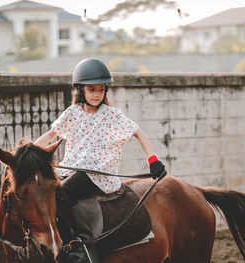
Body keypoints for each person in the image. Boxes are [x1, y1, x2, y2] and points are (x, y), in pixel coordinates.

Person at [35, 57, 166, 262]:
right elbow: (51, 135)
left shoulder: (111, 115)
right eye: (91, 89)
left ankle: (82, 248)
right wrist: (27, 152)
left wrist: (153, 160)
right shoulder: (72, 113)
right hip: (70, 170)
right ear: (80, 91)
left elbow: (139, 133)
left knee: (62, 193)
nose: (97, 94)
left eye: (101, 89)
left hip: (96, 174)